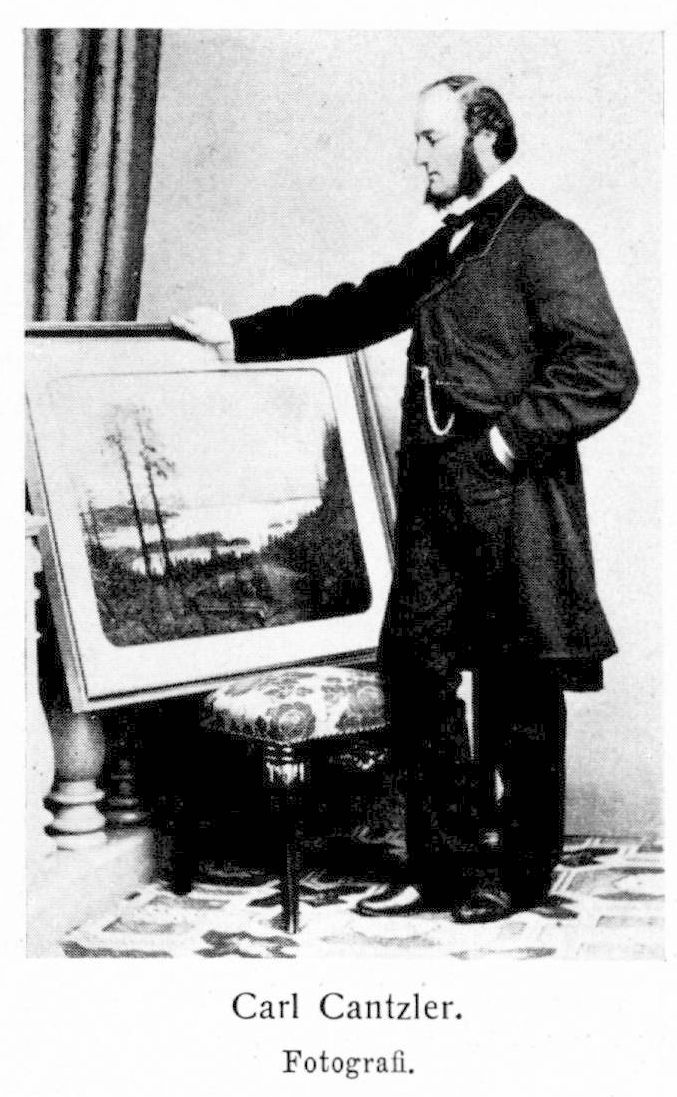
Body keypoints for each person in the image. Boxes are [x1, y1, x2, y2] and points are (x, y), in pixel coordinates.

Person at [171, 74, 637, 922]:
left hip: (511, 497)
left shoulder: (545, 238)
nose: (416, 155)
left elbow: (604, 371)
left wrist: (501, 444)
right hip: (435, 497)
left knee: (518, 692)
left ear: (483, 136)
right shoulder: (448, 246)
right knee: (416, 671)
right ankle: (442, 866)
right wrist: (237, 335)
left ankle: (516, 874)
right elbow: (362, 305)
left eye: (430, 137)